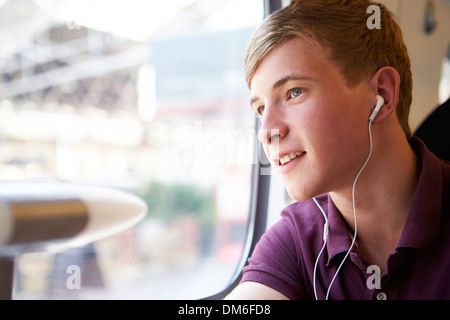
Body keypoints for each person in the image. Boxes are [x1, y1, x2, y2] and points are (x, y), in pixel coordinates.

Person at [226, 0, 450, 300]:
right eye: (261, 108)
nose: (267, 132)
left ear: (381, 94)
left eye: (294, 92)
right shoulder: (294, 241)